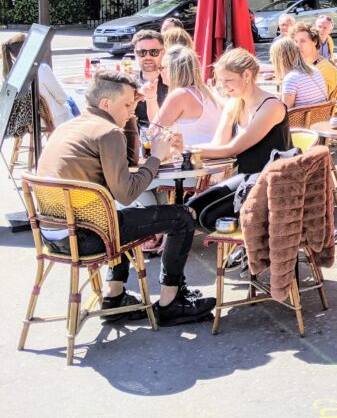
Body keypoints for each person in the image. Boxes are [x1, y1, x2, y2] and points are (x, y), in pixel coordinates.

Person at [35, 69, 215, 325]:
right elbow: (127, 192)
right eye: (128, 105)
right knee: (182, 217)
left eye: (134, 104)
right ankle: (170, 303)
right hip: (86, 237)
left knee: (117, 217)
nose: (133, 110)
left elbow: (128, 163)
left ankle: (115, 296)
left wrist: (130, 114)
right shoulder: (107, 132)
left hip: (55, 233)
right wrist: (157, 157)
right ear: (106, 104)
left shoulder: (73, 126)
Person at [188, 48, 289, 231]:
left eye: (228, 80)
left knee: (205, 216)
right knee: (190, 209)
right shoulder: (235, 104)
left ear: (247, 75)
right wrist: (183, 149)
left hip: (272, 183)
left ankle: (247, 249)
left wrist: (187, 151)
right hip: (247, 179)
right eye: (221, 80)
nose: (223, 86)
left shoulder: (271, 106)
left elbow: (231, 149)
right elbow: (218, 145)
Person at [152, 45, 223, 147]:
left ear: (174, 70)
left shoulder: (180, 95)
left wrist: (149, 98)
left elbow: (154, 131)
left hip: (190, 158)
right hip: (212, 156)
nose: (160, 71)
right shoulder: (208, 91)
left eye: (162, 67)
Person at [1, 34, 55, 138]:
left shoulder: (9, 73)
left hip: (18, 123)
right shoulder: (42, 69)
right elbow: (61, 97)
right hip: (42, 119)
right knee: (70, 104)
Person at [271, 36, 327, 109]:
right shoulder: (314, 69)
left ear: (280, 59)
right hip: (321, 116)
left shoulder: (291, 78)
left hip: (302, 119)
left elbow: (285, 110)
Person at [292, 20, 337, 96]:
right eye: (296, 41)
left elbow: (321, 100)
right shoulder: (302, 64)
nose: (298, 45)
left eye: (302, 41)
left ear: (315, 41)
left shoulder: (326, 68)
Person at [132, 29, 168, 127]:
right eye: (142, 52)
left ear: (163, 52)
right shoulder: (129, 84)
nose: (148, 57)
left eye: (154, 52)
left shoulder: (173, 83)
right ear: (135, 54)